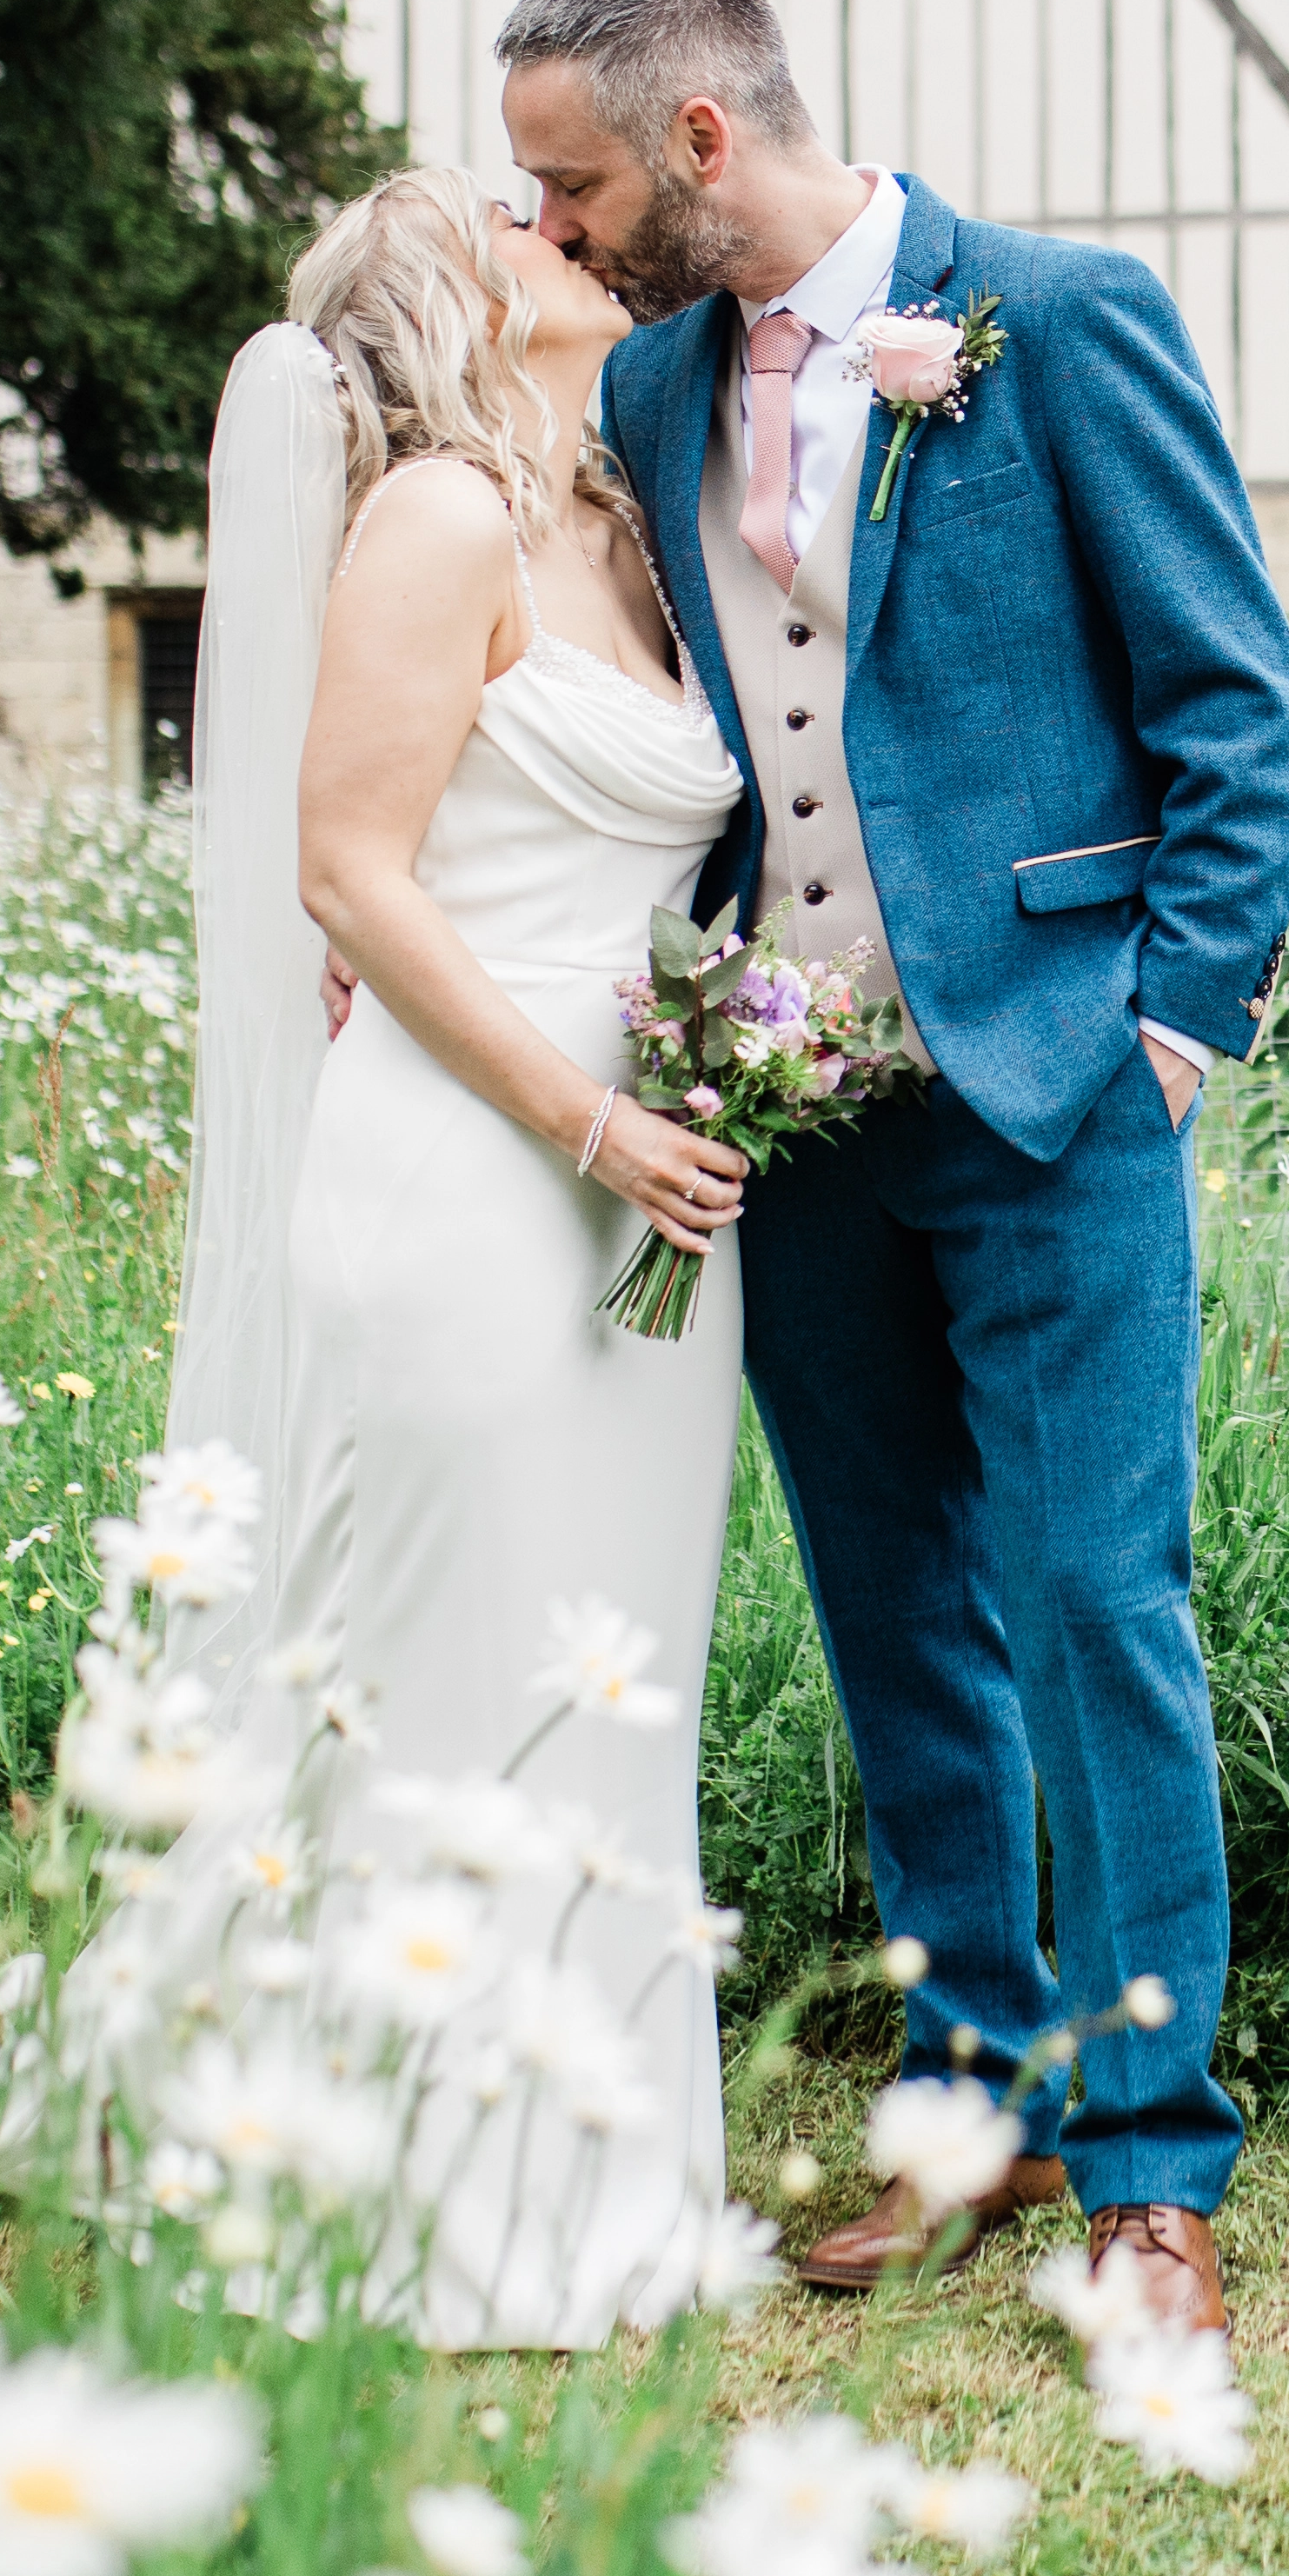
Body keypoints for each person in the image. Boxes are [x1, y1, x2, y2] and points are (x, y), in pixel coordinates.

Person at [494, 0, 1289, 2340]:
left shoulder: (1053, 324)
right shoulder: (649, 386)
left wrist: (1172, 1028)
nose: (551, 232)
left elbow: (1233, 702)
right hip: (799, 1110)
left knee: (1095, 1613)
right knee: (897, 1631)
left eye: (571, 184)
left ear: (702, 139)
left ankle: (1154, 2172)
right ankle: (978, 2105)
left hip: (1058, 1088)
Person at [159, 165, 760, 2346]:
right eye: (507, 212)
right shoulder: (438, 522)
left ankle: (610, 2181)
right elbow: (349, 870)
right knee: (460, 1677)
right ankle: (439, 2203)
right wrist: (586, 1109)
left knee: (614, 1676)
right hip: (469, 1177)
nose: (559, 218)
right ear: (447, 296)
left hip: (653, 1207)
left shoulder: (639, 534)